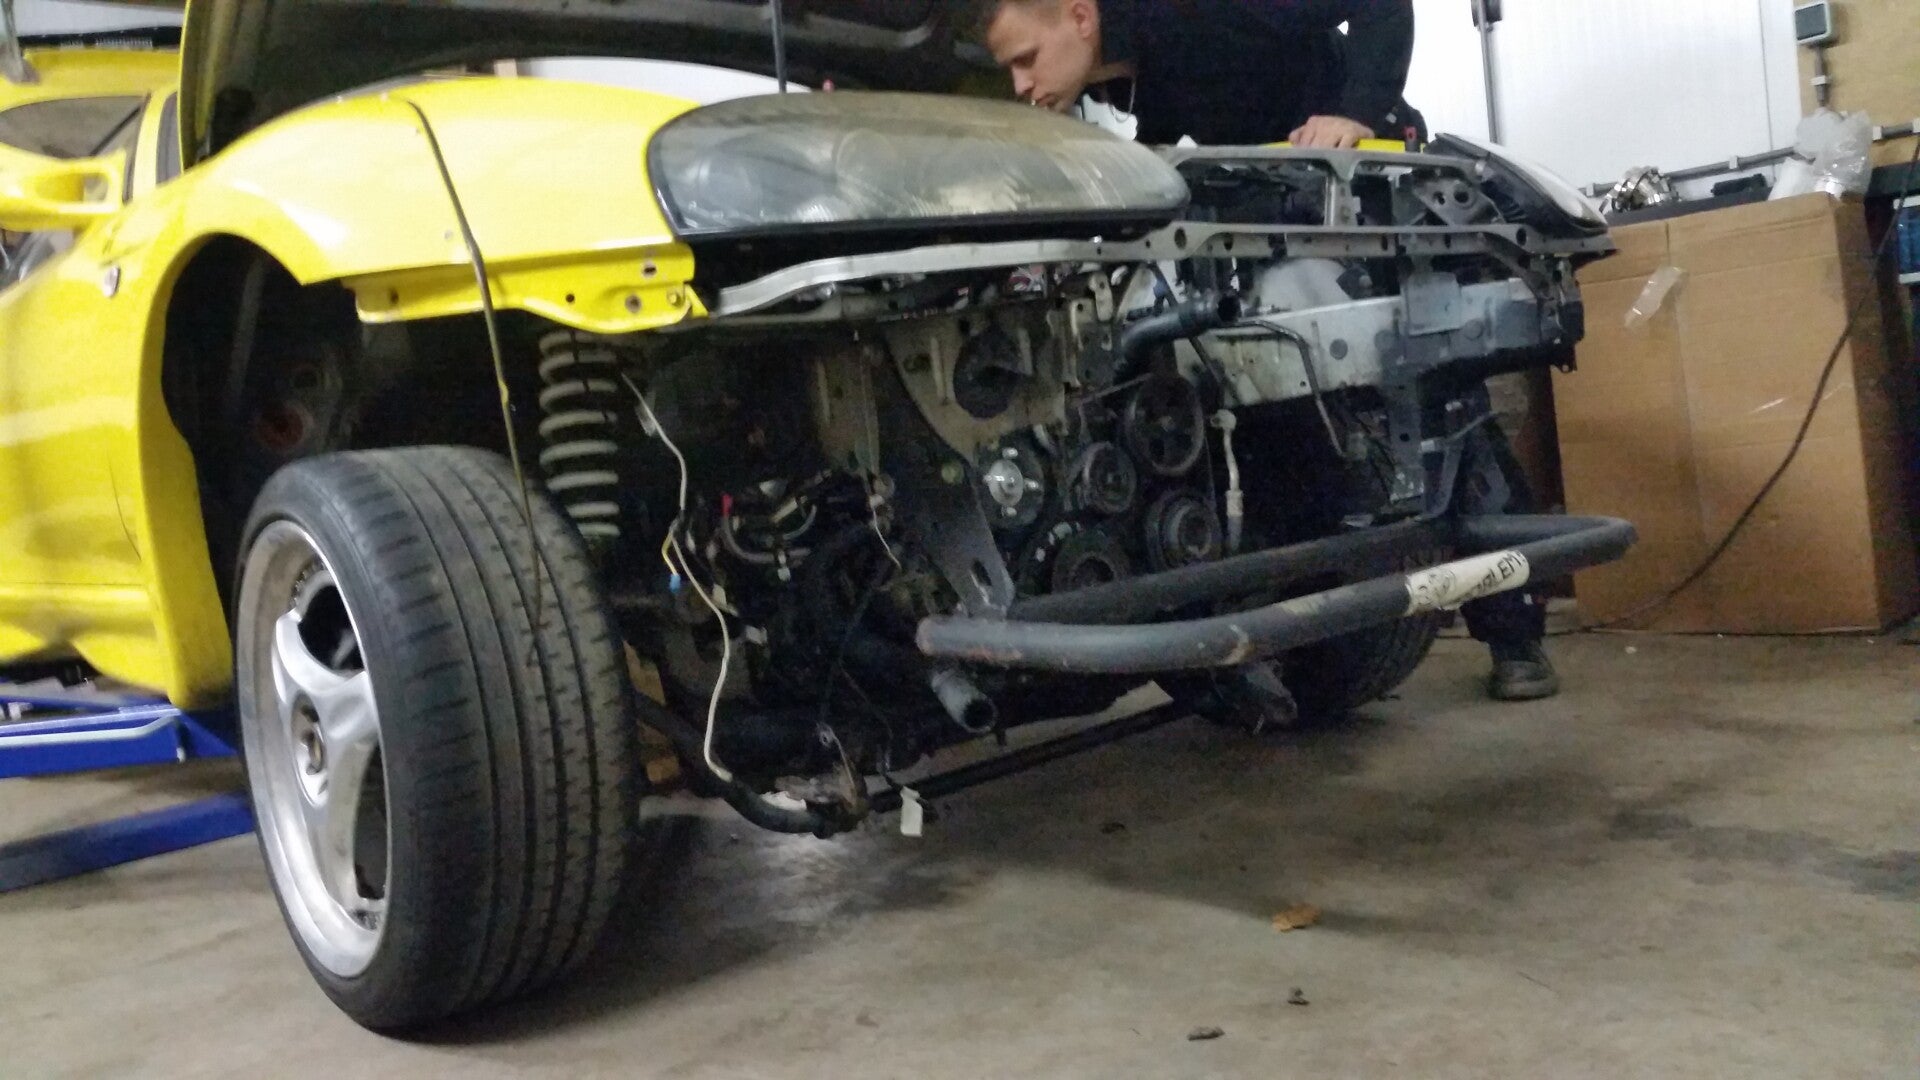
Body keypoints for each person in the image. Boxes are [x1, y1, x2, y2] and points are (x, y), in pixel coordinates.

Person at [983, 0, 1559, 702]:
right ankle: (1302, 632)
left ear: (1079, 17)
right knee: (1273, 420)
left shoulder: (1199, 12)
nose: (1020, 85)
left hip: (1359, 193)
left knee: (1427, 402)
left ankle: (1514, 633)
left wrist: (1355, 111)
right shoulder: (1127, 77)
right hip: (1270, 219)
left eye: (1026, 60)